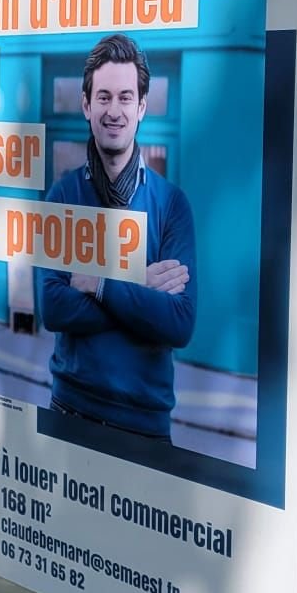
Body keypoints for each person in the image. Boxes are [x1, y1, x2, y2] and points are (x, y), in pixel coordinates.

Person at [36, 33, 196, 442]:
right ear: (86, 104)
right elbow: (52, 307)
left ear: (141, 107)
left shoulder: (172, 204)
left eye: (126, 98)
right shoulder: (64, 196)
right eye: (103, 97)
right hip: (70, 410)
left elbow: (178, 324)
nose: (114, 110)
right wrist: (140, 284)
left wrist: (100, 285)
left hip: (144, 425)